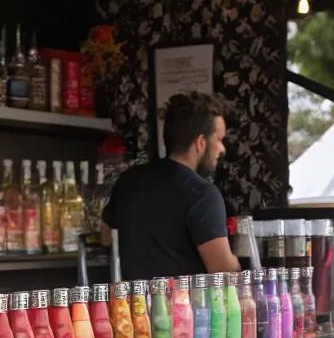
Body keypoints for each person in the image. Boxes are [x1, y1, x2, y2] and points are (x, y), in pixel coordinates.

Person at [102, 91, 241, 280]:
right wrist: (238, 261)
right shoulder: (201, 194)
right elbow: (223, 271)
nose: (222, 149)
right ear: (200, 143)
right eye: (219, 139)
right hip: (184, 307)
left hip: (131, 307)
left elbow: (106, 237)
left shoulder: (128, 181)